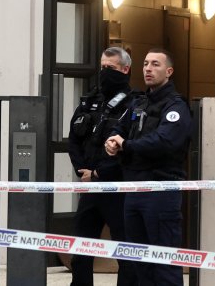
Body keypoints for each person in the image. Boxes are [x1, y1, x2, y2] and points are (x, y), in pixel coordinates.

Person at [104, 48, 192, 286]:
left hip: (160, 191)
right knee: (138, 263)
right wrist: (112, 141)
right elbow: (119, 128)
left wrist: (127, 145)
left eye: (155, 64)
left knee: (163, 264)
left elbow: (164, 142)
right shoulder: (139, 102)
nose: (148, 69)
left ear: (169, 71)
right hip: (134, 190)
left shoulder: (176, 107)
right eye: (145, 64)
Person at [67, 47, 137, 286]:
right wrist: (83, 172)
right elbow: (74, 139)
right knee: (81, 253)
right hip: (90, 188)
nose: (105, 72)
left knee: (126, 254)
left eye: (111, 68)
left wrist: (99, 173)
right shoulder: (89, 102)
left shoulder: (134, 104)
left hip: (118, 189)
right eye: (103, 67)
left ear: (125, 70)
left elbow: (129, 147)